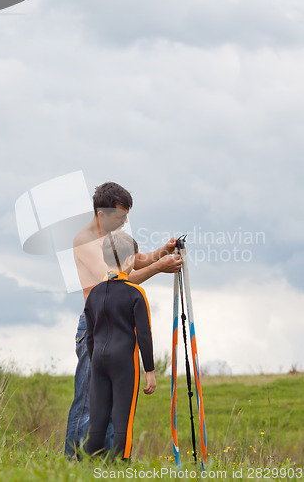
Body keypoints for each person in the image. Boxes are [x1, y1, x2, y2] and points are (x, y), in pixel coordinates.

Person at [64, 182, 182, 458]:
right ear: (102, 214)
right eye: (120, 216)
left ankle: (102, 464)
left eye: (126, 216)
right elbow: (116, 281)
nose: (125, 222)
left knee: (112, 401)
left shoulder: (112, 236)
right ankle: (72, 464)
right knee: (87, 403)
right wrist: (158, 268)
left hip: (117, 327)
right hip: (95, 326)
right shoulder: (85, 241)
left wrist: (163, 252)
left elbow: (135, 260)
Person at [85, 231, 156, 460]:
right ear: (129, 261)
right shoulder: (136, 293)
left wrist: (94, 360)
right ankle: (120, 466)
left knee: (98, 418)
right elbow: (144, 335)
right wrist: (150, 371)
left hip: (98, 361)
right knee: (122, 418)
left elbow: (90, 336)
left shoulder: (94, 293)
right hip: (124, 361)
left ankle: (91, 466)